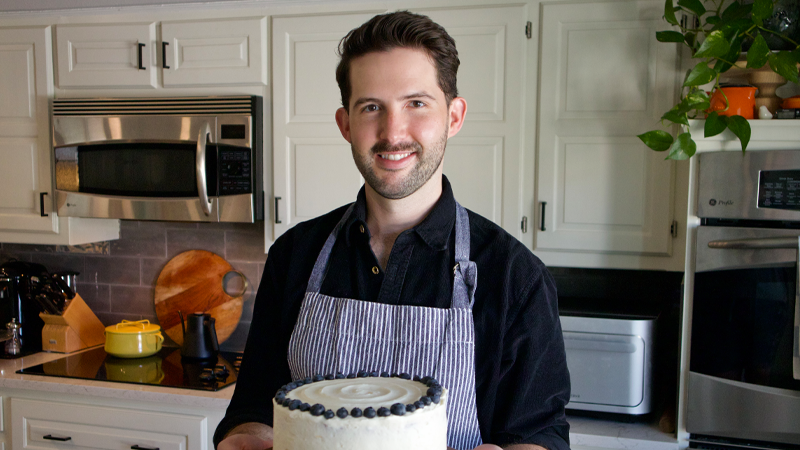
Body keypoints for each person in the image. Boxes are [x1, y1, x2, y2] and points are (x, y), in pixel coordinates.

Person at [214, 11, 570, 450]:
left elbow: (539, 433)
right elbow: (254, 406)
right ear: (346, 124)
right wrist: (245, 438)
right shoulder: (294, 254)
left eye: (416, 103)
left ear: (453, 117)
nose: (392, 132)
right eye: (371, 107)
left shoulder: (515, 275)